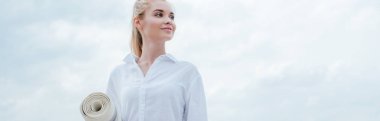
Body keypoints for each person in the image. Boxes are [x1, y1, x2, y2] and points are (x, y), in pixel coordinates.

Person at [106, 0, 208, 121]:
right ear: (138, 22)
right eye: (159, 14)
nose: (169, 20)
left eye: (172, 17)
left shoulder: (187, 72)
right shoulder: (119, 74)